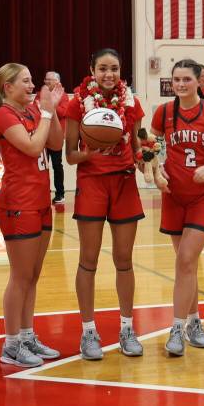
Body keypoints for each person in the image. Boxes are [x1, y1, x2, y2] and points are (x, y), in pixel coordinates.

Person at [65, 50, 145, 359]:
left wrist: (148, 162)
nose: (108, 74)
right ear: (92, 70)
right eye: (102, 68)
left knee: (124, 259)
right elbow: (70, 154)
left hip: (124, 182)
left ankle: (127, 328)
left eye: (114, 68)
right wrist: (93, 150)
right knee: (89, 259)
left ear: (120, 71)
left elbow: (138, 147)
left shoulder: (132, 102)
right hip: (92, 183)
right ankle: (88, 332)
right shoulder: (76, 103)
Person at [149, 59, 204, 356]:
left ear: (199, 81)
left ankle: (176, 329)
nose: (181, 84)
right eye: (176, 79)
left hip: (203, 197)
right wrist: (156, 172)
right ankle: (195, 321)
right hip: (174, 195)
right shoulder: (164, 112)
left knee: (186, 259)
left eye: (186, 79)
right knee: (187, 265)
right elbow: (150, 147)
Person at [0, 63, 65, 367]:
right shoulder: (4, 114)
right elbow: (34, 147)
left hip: (40, 200)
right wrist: (45, 112)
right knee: (20, 276)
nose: (32, 85)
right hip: (17, 202)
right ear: (8, 88)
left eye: (32, 80)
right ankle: (10, 344)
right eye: (26, 81)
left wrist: (53, 110)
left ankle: (26, 334)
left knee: (32, 276)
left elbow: (56, 143)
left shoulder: (35, 110)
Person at [43, 71, 69, 204]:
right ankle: (42, 194)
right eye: (46, 79)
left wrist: (52, 104)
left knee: (57, 165)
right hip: (42, 137)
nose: (46, 82)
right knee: (42, 167)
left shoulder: (63, 96)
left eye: (49, 80)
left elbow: (63, 112)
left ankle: (60, 194)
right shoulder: (41, 94)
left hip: (56, 137)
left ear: (57, 82)